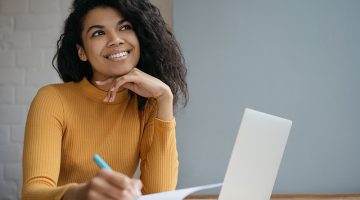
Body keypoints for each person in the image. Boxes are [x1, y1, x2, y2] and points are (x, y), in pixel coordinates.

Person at [21, 0, 188, 199]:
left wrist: (164, 98)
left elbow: (159, 194)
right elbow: (31, 194)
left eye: (125, 27)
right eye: (98, 33)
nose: (115, 40)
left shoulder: (149, 102)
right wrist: (80, 193)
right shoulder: (52, 99)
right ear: (82, 51)